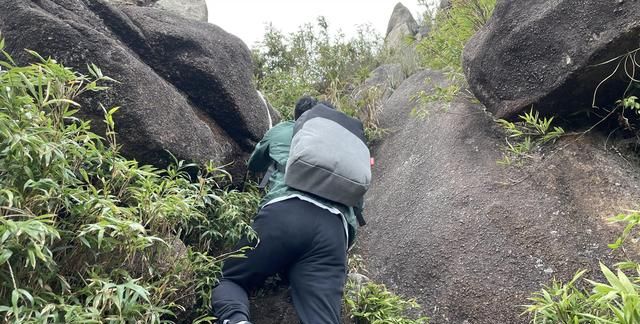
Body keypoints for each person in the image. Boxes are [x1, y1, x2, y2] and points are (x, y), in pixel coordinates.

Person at [211, 96, 359, 324]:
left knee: (231, 280)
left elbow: (254, 164)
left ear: (297, 116)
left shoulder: (283, 130)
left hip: (285, 213)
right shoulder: (347, 147)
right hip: (334, 230)